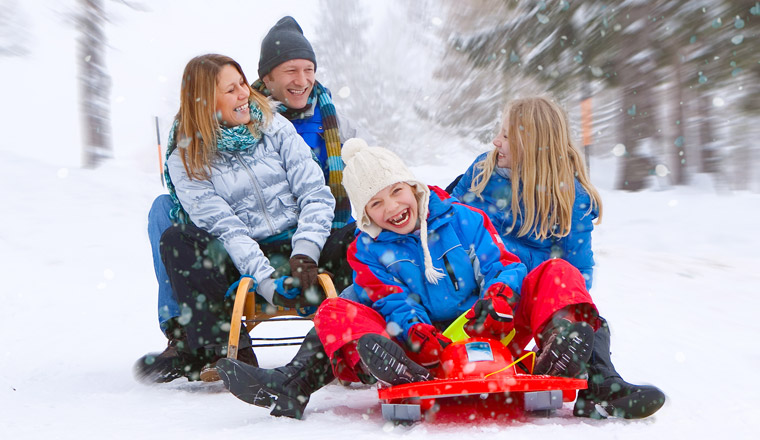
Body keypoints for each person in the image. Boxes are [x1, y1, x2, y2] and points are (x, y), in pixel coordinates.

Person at [217, 138, 606, 419]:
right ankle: (319, 379)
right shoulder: (366, 251)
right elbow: (389, 299)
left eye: (397, 191)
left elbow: (502, 264)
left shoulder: (463, 219)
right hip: (420, 349)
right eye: (376, 203)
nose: (392, 208)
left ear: (414, 187)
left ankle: (560, 353)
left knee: (557, 272)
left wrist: (498, 298)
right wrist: (416, 333)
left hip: (491, 328)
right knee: (338, 308)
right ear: (366, 215)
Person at [140, 16, 360, 380]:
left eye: (241, 83)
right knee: (178, 240)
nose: (244, 94)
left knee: (361, 241)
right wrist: (266, 281)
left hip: (299, 242)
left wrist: (304, 251)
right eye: (231, 90)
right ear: (204, 102)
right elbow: (224, 227)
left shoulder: (271, 123)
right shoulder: (188, 155)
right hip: (243, 251)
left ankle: (365, 340)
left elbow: (314, 191)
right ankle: (223, 351)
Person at [450, 96, 664, 419]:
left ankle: (593, 380)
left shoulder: (571, 196)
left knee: (564, 278)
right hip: (480, 306)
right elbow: (444, 222)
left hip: (523, 313)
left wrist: (549, 301)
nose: (496, 141)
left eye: (506, 135)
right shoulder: (483, 172)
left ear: (531, 143)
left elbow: (579, 274)